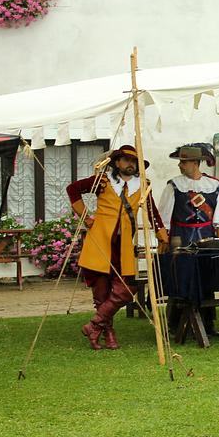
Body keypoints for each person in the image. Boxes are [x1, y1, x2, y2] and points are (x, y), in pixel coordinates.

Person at [67, 145, 167, 350]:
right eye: (126, 160)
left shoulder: (143, 185)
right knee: (101, 291)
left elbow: (152, 212)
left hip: (124, 245)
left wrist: (162, 235)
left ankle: (94, 325)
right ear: (117, 162)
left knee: (127, 289)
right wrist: (87, 218)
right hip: (100, 241)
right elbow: (73, 189)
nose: (131, 164)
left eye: (134, 161)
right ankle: (107, 333)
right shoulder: (103, 181)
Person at [158, 144, 219, 337]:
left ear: (196, 163)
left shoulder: (214, 185)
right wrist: (163, 241)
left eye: (184, 162)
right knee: (179, 278)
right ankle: (175, 324)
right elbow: (163, 217)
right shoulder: (174, 185)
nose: (180, 165)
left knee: (207, 278)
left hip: (206, 236)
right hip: (179, 237)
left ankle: (207, 324)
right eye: (180, 162)